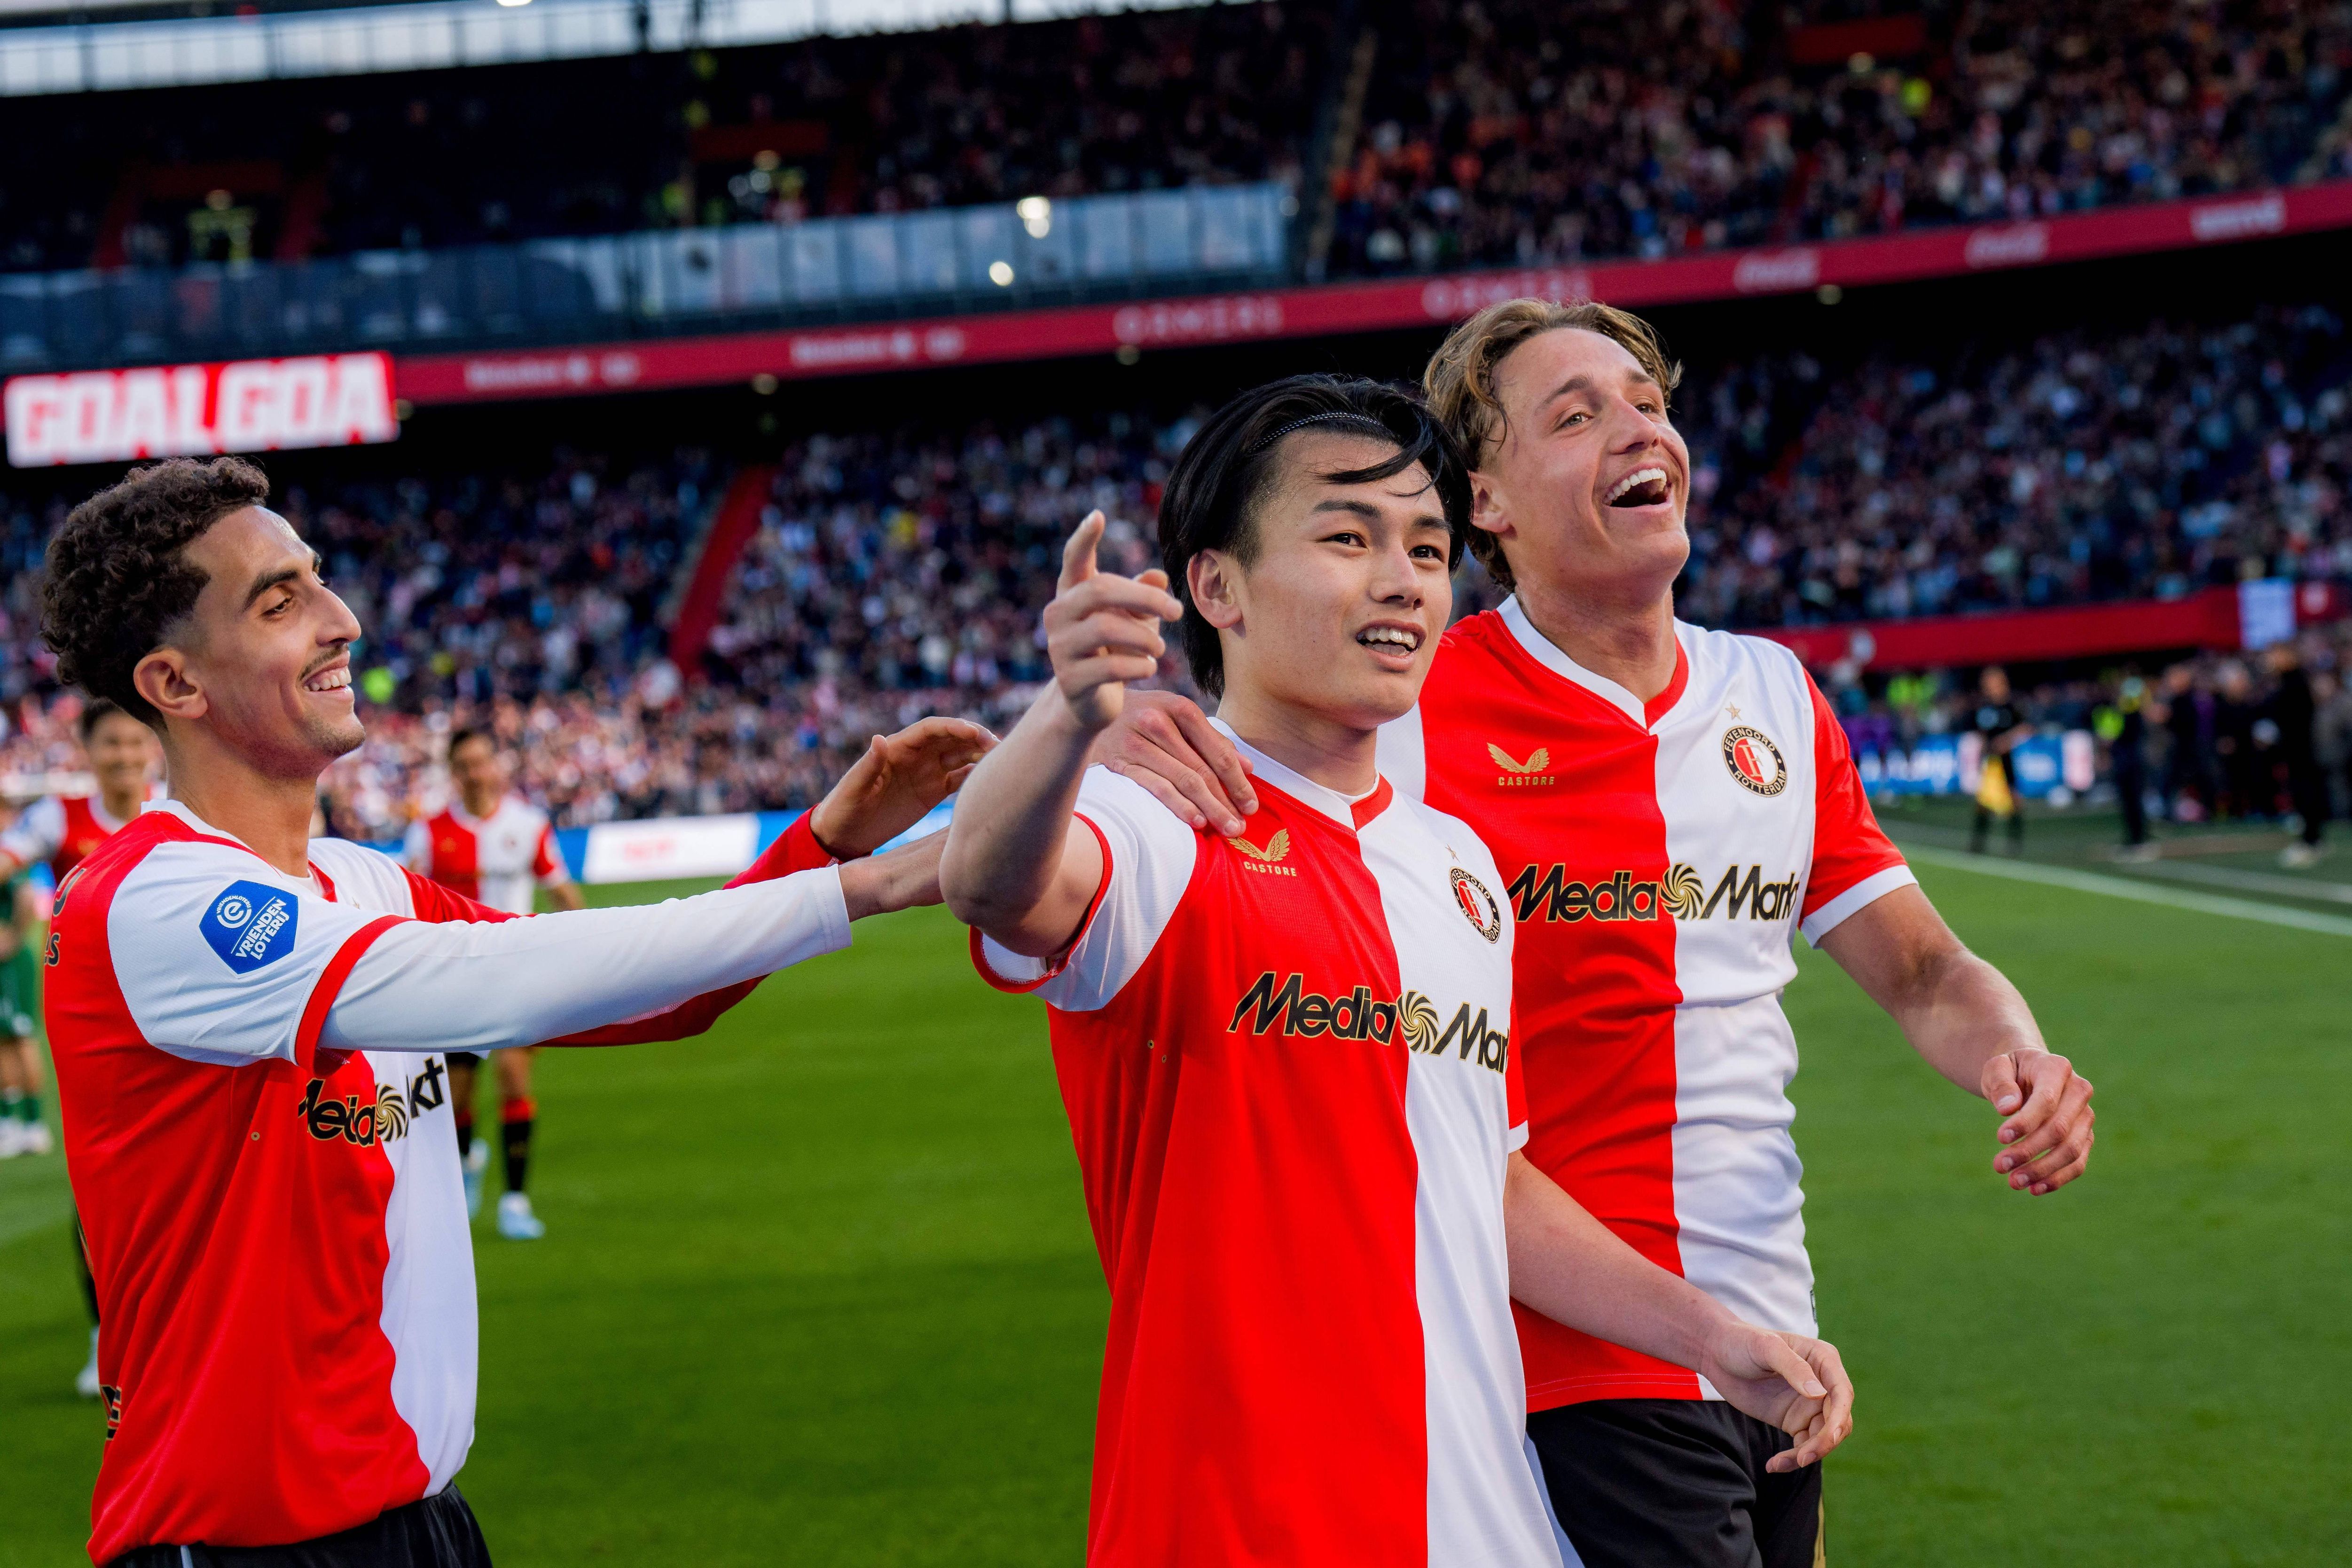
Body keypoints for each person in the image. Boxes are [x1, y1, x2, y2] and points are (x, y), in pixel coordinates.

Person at [1090, 303, 2090, 1568]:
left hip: (1768, 1334)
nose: (1639, 430)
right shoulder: (1406, 703)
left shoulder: (1771, 694)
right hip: (1563, 1351)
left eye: (1648, 403)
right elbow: (1236, 775)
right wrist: (1118, 736)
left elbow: (1920, 965)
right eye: (1576, 414)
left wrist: (2017, 1052)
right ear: (1487, 504)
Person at [942, 376, 1851, 1568]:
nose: (1401, 579)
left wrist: (1712, 1335)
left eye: (1426, 548)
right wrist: (1064, 719)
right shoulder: (1162, 820)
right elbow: (995, 884)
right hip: (1238, 1528)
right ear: (1214, 587)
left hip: (1491, 1526)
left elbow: (1491, 1181)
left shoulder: (1458, 869)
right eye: (1344, 538)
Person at [38, 455, 991, 1568]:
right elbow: (503, 979)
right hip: (243, 1544)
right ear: (175, 684)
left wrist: (820, 843)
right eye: (279, 601)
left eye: (319, 580)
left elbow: (646, 998)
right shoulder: (149, 897)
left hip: (424, 1522)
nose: (343, 621)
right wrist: (867, 886)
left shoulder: (361, 879)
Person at [0, 696, 166, 1399]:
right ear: (89, 752)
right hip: (97, 1033)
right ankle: (107, 1335)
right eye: (111, 745)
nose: (125, 757)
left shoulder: (178, 812)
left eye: (135, 743)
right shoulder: (58, 820)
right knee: (100, 1183)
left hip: (178, 1021)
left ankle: (180, 1329)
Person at [405, 727, 588, 1239]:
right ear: (453, 772)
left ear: (494, 765)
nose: (474, 773)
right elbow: (409, 902)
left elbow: (560, 888)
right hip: (457, 979)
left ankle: (515, 1200)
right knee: (457, 1098)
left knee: (514, 1079)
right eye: (464, 764)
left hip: (515, 976)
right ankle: (466, 1168)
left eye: (481, 762)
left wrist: (593, 941)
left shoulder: (527, 826)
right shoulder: (429, 833)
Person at [0, 857, 49, 1159]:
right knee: (4, 1041)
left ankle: (34, 1125)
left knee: (21, 1037)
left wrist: (13, 938)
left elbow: (28, 896)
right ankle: (9, 1121)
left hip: (12, 965)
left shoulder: (10, 855)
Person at [2266, 643, 2328, 868]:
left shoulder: (2296, 682)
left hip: (2301, 749)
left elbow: (2296, 717)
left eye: (2276, 654)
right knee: (2301, 794)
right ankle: (2310, 840)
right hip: (2295, 749)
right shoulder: (2287, 681)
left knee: (2306, 794)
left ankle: (2311, 842)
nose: (2272, 659)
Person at [1967, 666, 2031, 855]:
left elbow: (2026, 728)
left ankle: (2015, 844)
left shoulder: (2012, 705)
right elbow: (1980, 731)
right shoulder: (1984, 707)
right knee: (1984, 801)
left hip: (2007, 758)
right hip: (1990, 761)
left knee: (2014, 800)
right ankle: (1978, 845)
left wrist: (2007, 740)